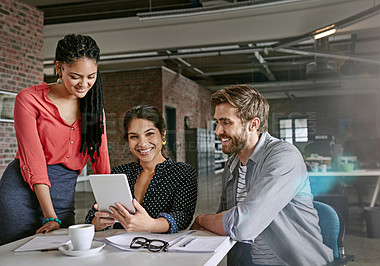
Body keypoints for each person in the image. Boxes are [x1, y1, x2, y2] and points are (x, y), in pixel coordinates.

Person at [191, 85, 333, 265]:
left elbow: (241, 225)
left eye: (226, 122)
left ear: (253, 124)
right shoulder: (231, 164)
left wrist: (202, 219)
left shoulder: (284, 157)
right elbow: (224, 219)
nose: (218, 131)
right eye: (217, 122)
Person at [0, 34, 110, 245]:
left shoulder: (94, 108)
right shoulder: (29, 100)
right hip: (21, 192)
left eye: (91, 76)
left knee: (61, 253)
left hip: (63, 193)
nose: (84, 84)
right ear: (59, 68)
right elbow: (33, 160)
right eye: (76, 76)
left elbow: (101, 160)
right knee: (15, 254)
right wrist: (50, 215)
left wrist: (108, 204)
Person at [85, 105, 197, 233]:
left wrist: (151, 225)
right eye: (134, 136)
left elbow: (182, 216)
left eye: (149, 134)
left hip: (160, 248)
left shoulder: (183, 172)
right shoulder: (119, 173)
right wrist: (98, 222)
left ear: (163, 134)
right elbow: (93, 216)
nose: (142, 143)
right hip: (118, 249)